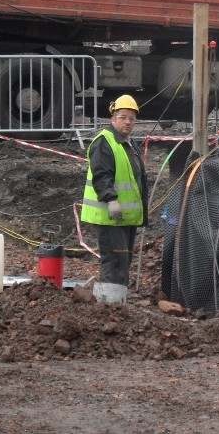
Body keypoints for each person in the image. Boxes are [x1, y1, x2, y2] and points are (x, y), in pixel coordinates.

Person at [80, 95, 149, 303]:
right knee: (115, 258)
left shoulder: (128, 144)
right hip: (109, 215)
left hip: (125, 216)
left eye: (131, 118)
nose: (128, 122)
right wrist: (111, 199)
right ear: (113, 118)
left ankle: (118, 303)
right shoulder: (105, 141)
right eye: (123, 117)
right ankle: (108, 306)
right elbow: (101, 175)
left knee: (123, 259)